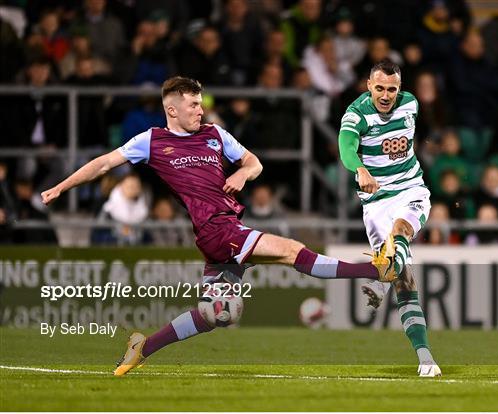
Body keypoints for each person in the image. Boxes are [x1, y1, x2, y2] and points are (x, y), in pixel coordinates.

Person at [41, 75, 397, 376]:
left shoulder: (214, 134)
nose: (200, 109)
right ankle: (375, 270)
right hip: (215, 231)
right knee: (290, 251)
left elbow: (254, 162)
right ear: (172, 109)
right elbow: (103, 164)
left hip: (224, 228)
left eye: (201, 103)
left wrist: (242, 172)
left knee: (217, 314)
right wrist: (60, 186)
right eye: (194, 104)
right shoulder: (151, 141)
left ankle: (144, 346)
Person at [337, 59, 441, 377]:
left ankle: (382, 274)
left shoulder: (411, 105)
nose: (385, 95)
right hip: (376, 202)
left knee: (401, 231)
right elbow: (346, 146)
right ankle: (425, 359)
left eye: (392, 89)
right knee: (405, 282)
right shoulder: (356, 114)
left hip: (410, 190)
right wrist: (360, 168)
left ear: (400, 88)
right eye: (379, 88)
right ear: (368, 85)